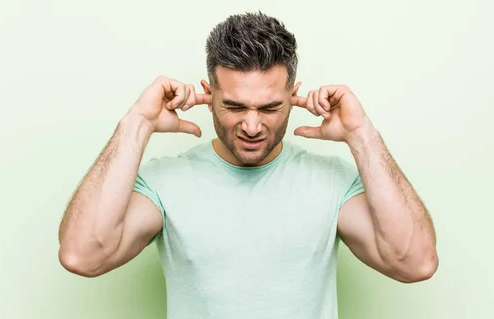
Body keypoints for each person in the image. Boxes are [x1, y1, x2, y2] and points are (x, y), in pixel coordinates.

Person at [57, 11, 438, 319]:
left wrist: (361, 134)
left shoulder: (332, 181)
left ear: (293, 96)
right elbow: (82, 256)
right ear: (209, 95)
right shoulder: (164, 181)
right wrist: (136, 125)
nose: (252, 126)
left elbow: (415, 262)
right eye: (234, 106)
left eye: (270, 107)